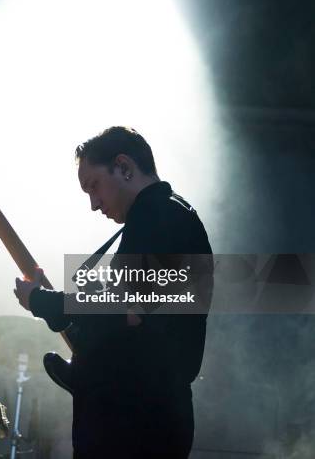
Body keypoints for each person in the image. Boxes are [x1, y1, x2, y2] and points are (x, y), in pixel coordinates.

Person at [14, 127, 212, 458]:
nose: (93, 204)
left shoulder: (157, 214)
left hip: (135, 418)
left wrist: (45, 302)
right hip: (141, 413)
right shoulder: (166, 216)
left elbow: (130, 309)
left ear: (124, 167)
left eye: (93, 186)